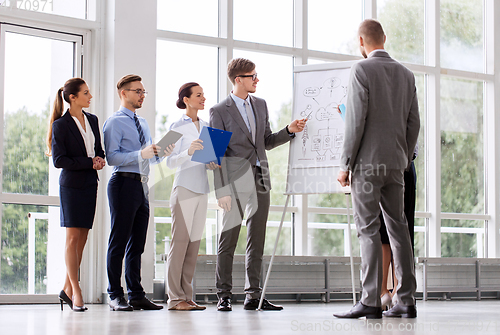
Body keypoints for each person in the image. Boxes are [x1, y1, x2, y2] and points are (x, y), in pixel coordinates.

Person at [334, 19, 420, 319]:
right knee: (399, 230)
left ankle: (371, 299)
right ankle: (406, 300)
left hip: (368, 165)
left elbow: (355, 122)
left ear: (361, 41)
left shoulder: (362, 70)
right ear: (384, 37)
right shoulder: (407, 75)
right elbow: (414, 123)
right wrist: (403, 158)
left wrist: (346, 164)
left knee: (368, 230)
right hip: (397, 166)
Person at [210, 58, 306, 311]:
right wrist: (220, 191)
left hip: (260, 178)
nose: (257, 80)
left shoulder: (261, 105)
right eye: (253, 76)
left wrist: (289, 129)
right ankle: (224, 295)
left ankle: (254, 296)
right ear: (238, 79)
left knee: (257, 238)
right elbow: (214, 156)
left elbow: (266, 141)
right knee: (228, 239)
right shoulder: (219, 110)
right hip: (233, 181)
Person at [103, 74, 174, 311]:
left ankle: (136, 294)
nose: (142, 95)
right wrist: (139, 155)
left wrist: (160, 152)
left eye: (143, 92)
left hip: (142, 185)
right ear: (123, 93)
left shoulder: (142, 122)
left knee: (138, 244)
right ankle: (115, 294)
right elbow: (112, 157)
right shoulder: (114, 122)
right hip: (122, 183)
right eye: (137, 91)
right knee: (119, 241)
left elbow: (150, 159)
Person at [47, 78, 106, 312]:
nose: (90, 97)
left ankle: (66, 290)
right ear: (73, 97)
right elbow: (59, 160)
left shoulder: (92, 120)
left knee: (82, 240)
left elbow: (98, 149)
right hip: (71, 186)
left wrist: (99, 159)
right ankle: (76, 290)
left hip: (91, 184)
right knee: (72, 239)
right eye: (86, 93)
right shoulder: (61, 125)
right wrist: (89, 162)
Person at [165, 82, 218, 311]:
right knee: (179, 245)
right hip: (184, 188)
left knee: (193, 247)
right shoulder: (176, 125)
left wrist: (211, 163)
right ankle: (174, 299)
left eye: (203, 95)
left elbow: (206, 160)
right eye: (198, 95)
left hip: (202, 190)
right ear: (186, 99)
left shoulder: (207, 126)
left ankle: (187, 296)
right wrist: (188, 151)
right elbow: (167, 162)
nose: (203, 98)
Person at [380, 153, 417, 310]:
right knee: (401, 230)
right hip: (404, 164)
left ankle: (382, 294)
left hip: (380, 166)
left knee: (382, 232)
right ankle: (398, 294)